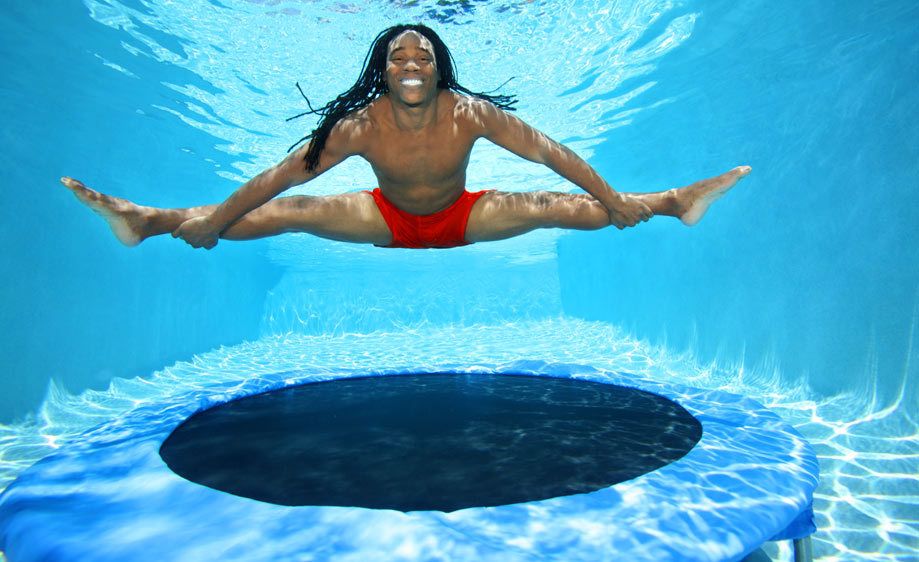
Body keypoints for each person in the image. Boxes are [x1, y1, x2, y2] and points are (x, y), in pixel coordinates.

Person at [60, 24, 750, 251]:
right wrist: (213, 221)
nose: (412, 63)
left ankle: (669, 201)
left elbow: (551, 154)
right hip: (385, 218)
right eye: (399, 58)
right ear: (382, 72)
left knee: (559, 205)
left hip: (464, 213)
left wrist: (612, 198)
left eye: (423, 56)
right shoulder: (359, 127)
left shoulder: (471, 112)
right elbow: (279, 178)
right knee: (290, 213)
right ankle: (148, 222)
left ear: (439, 66)